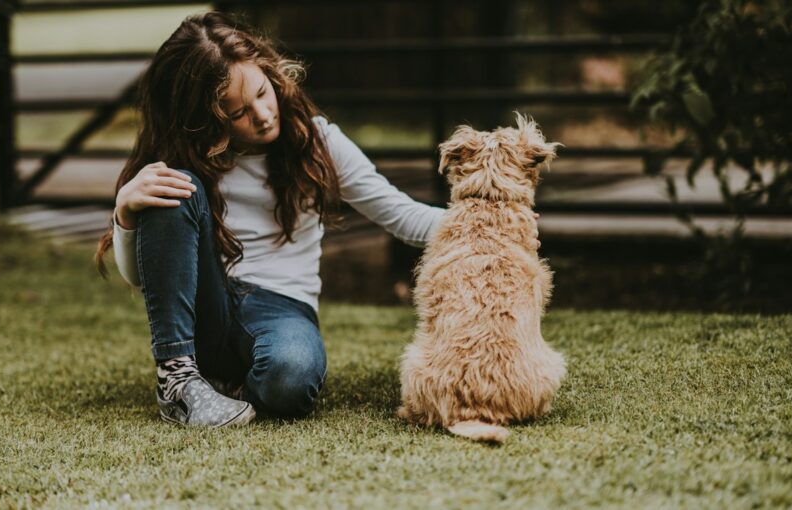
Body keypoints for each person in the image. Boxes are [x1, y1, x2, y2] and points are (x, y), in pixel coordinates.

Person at [94, 11, 538, 427]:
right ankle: (178, 381)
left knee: (291, 380)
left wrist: (492, 230)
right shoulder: (179, 163)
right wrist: (126, 213)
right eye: (237, 113)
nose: (263, 115)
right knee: (172, 186)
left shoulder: (317, 140)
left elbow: (400, 214)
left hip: (281, 306)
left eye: (262, 93)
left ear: (271, 73)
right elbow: (143, 281)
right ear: (201, 120)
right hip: (205, 306)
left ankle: (225, 390)